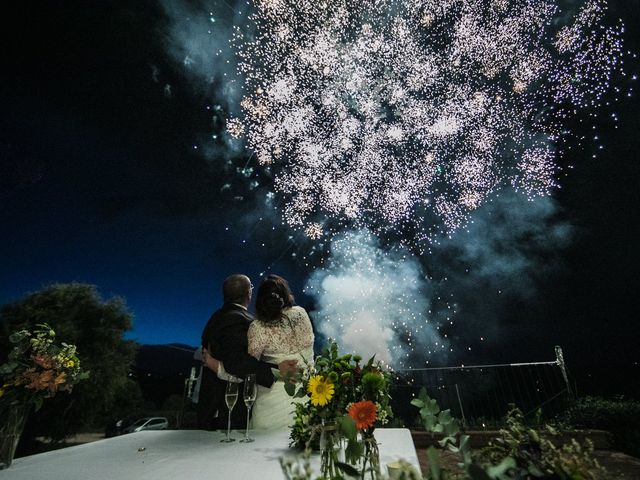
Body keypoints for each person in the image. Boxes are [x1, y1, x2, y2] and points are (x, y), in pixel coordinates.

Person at [197, 274, 298, 430]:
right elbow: (238, 364)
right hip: (227, 409)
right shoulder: (237, 320)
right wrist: (277, 370)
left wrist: (213, 364)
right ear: (248, 294)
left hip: (215, 404)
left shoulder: (216, 317)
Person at [248, 274, 314, 429]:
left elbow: (250, 367)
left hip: (269, 409)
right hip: (307, 403)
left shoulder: (257, 327)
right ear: (286, 295)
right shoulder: (301, 314)